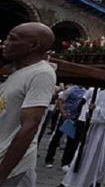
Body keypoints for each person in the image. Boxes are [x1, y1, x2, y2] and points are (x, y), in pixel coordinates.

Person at [0, 23, 57, 186]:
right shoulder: (15, 71)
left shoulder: (41, 73)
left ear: (33, 45)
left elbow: (30, 126)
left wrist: (3, 173)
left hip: (13, 169)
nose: (5, 43)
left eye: (12, 39)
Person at [60, 88, 105, 187]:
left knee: (96, 156)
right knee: (84, 152)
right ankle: (72, 180)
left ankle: (92, 181)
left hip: (103, 131)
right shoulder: (96, 91)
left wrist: (95, 110)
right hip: (92, 127)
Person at [44, 85, 86, 169]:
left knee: (71, 141)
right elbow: (60, 100)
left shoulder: (87, 91)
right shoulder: (72, 90)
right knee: (57, 138)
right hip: (66, 118)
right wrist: (63, 112)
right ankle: (49, 159)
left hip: (76, 119)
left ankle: (66, 162)